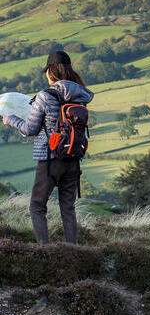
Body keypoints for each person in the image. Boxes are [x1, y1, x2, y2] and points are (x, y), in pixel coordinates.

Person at [2, 50, 93, 245]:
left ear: (51, 71)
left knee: (37, 206)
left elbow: (30, 129)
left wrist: (11, 120)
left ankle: (45, 250)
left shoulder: (45, 96)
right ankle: (72, 251)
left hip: (50, 159)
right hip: (73, 158)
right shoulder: (81, 96)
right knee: (68, 208)